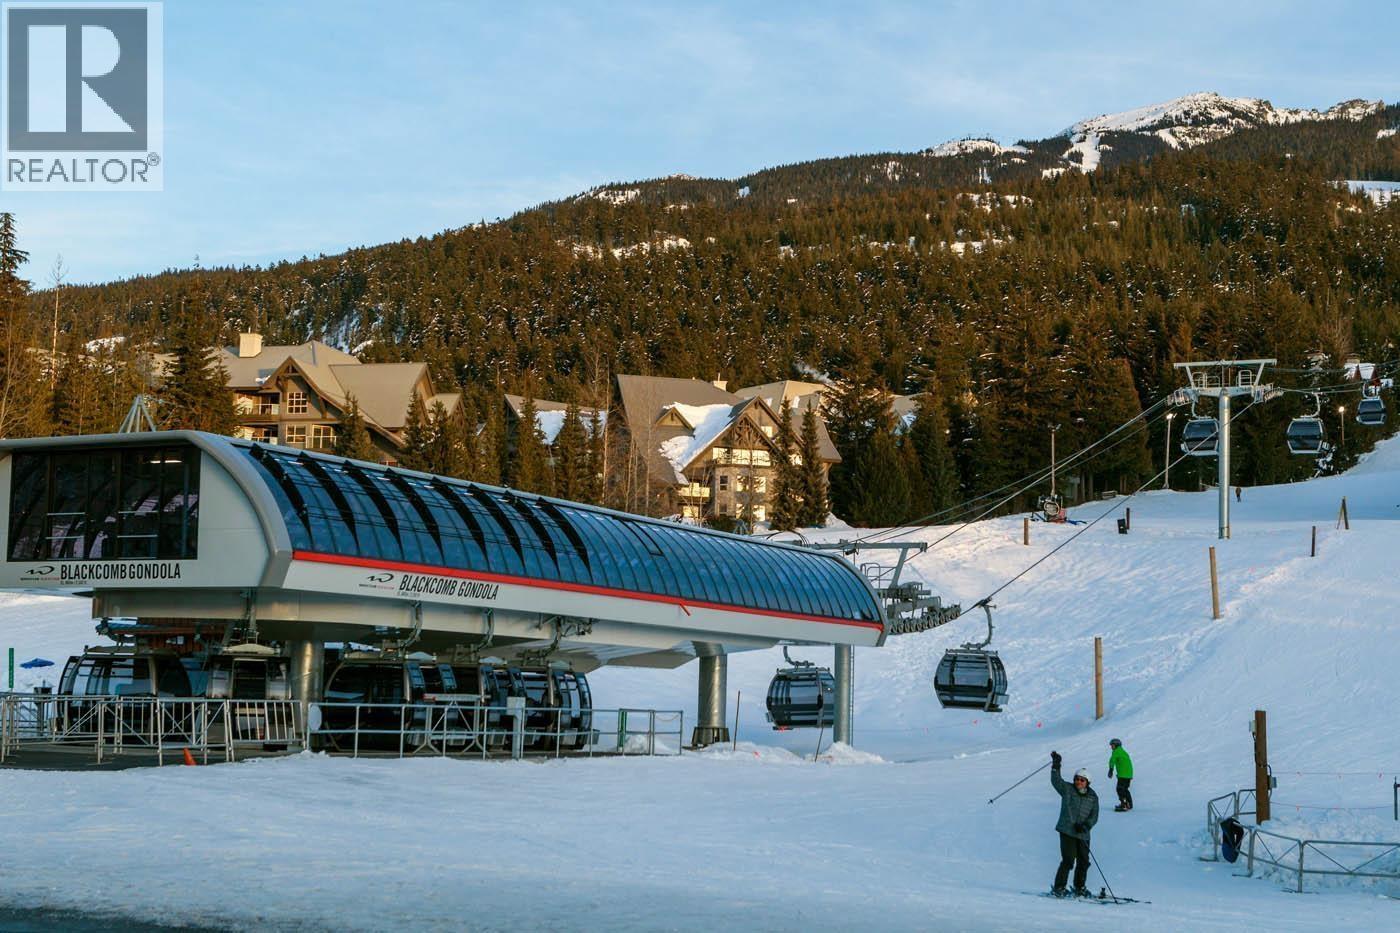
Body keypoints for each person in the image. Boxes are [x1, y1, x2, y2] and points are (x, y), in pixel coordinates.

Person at [1049, 751, 1099, 897]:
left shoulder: (1093, 797)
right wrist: (1056, 765)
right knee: (1068, 860)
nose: (1078, 782)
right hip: (1067, 830)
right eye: (1076, 779)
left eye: (1082, 780)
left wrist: (1086, 826)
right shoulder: (1068, 789)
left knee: (1084, 861)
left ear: (1087, 782)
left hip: (1083, 833)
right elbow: (1056, 781)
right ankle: (1059, 888)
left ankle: (1079, 887)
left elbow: (1094, 815)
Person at [1108, 738, 1134, 811]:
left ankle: (1124, 805)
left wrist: (1111, 770)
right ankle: (1129, 804)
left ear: (1116, 745)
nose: (1111, 747)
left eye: (1112, 745)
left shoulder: (1117, 751)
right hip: (1128, 774)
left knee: (1120, 789)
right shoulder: (1122, 751)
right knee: (1125, 789)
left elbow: (1112, 760)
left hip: (1123, 775)